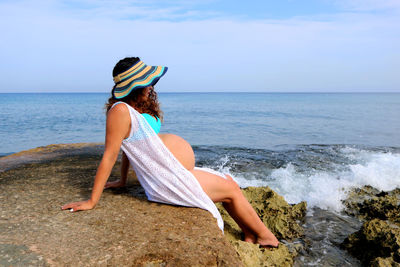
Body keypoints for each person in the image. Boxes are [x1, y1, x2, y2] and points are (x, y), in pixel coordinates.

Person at [62, 57, 279, 247]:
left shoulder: (137, 108)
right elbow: (110, 155)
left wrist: (122, 180)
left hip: (172, 170)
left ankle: (250, 234)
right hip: (165, 179)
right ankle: (266, 237)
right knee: (231, 189)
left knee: (228, 181)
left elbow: (132, 148)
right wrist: (92, 201)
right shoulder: (119, 111)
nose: (150, 87)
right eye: (146, 83)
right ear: (134, 85)